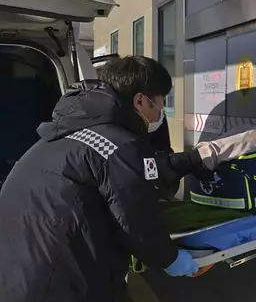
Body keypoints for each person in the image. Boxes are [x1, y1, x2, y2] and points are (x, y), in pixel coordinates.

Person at [0, 56, 205, 302]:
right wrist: (170, 259)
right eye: (159, 104)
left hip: (17, 271)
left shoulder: (64, 135)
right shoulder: (119, 144)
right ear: (140, 101)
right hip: (60, 282)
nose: (160, 114)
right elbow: (135, 219)